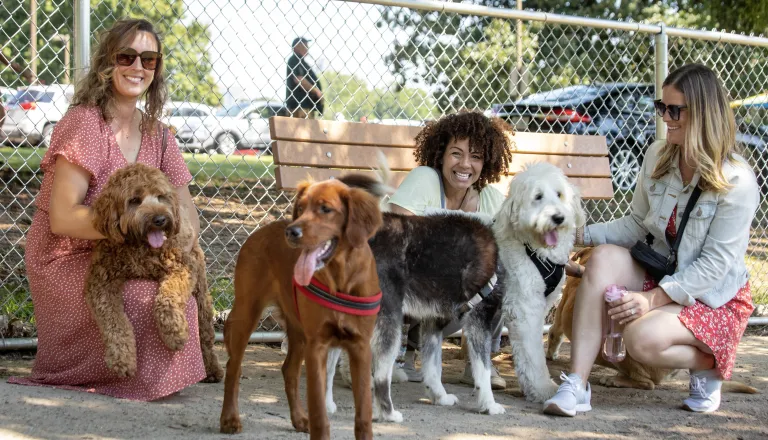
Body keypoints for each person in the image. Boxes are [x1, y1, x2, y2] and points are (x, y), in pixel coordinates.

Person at [543, 64, 758, 416]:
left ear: (704, 114)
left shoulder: (737, 180)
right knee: (604, 258)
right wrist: (573, 234)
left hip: (712, 297)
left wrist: (650, 300)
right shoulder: (658, 155)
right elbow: (635, 226)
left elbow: (715, 266)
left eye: (675, 110)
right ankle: (576, 385)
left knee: (640, 339)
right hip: (664, 272)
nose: (666, 118)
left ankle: (711, 361)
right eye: (662, 107)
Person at [8, 19, 206, 400]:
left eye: (148, 60)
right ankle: (113, 375)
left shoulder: (160, 135)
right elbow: (64, 216)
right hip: (70, 255)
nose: (137, 67)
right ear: (106, 62)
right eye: (126, 56)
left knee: (178, 298)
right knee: (140, 302)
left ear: (157, 69)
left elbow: (186, 211)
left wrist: (172, 239)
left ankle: (154, 377)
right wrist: (132, 226)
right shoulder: (84, 124)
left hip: (133, 252)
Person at [386, 110, 514, 390]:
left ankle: (479, 362)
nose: (465, 164)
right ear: (441, 154)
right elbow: (394, 236)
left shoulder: (490, 198)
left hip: (451, 299)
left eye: (476, 156)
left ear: (486, 162)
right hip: (403, 290)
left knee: (503, 269)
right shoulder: (424, 180)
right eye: (456, 153)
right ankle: (392, 355)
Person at [285, 37, 323, 119]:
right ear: (296, 47)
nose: (307, 47)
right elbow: (299, 79)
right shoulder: (294, 60)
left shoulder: (302, 62)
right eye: (304, 44)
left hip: (306, 106)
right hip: (299, 106)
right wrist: (315, 90)